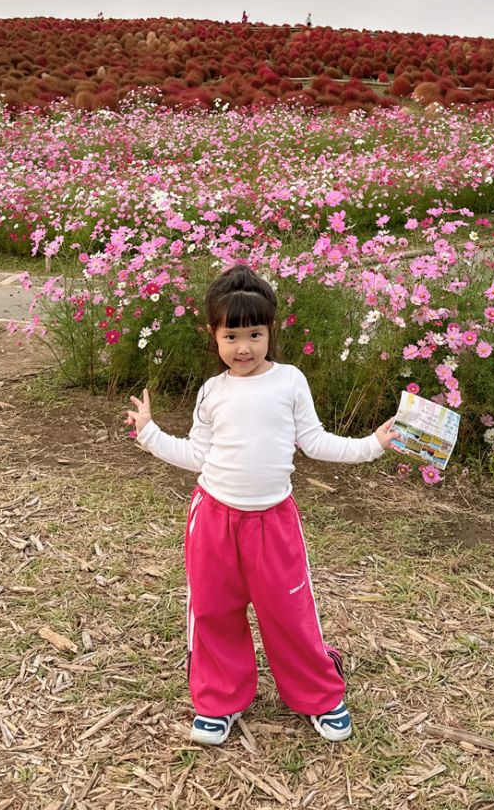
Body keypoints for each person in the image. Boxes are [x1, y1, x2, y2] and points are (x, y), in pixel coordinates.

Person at [125, 264, 399, 746]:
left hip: (273, 520)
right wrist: (150, 434)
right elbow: (197, 455)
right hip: (213, 518)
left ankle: (319, 695)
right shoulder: (212, 392)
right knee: (213, 611)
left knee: (288, 612)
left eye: (255, 333)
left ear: (271, 330)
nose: (244, 346)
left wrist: (371, 444)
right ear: (214, 336)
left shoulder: (290, 382)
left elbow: (314, 442)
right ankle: (220, 700)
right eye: (232, 335)